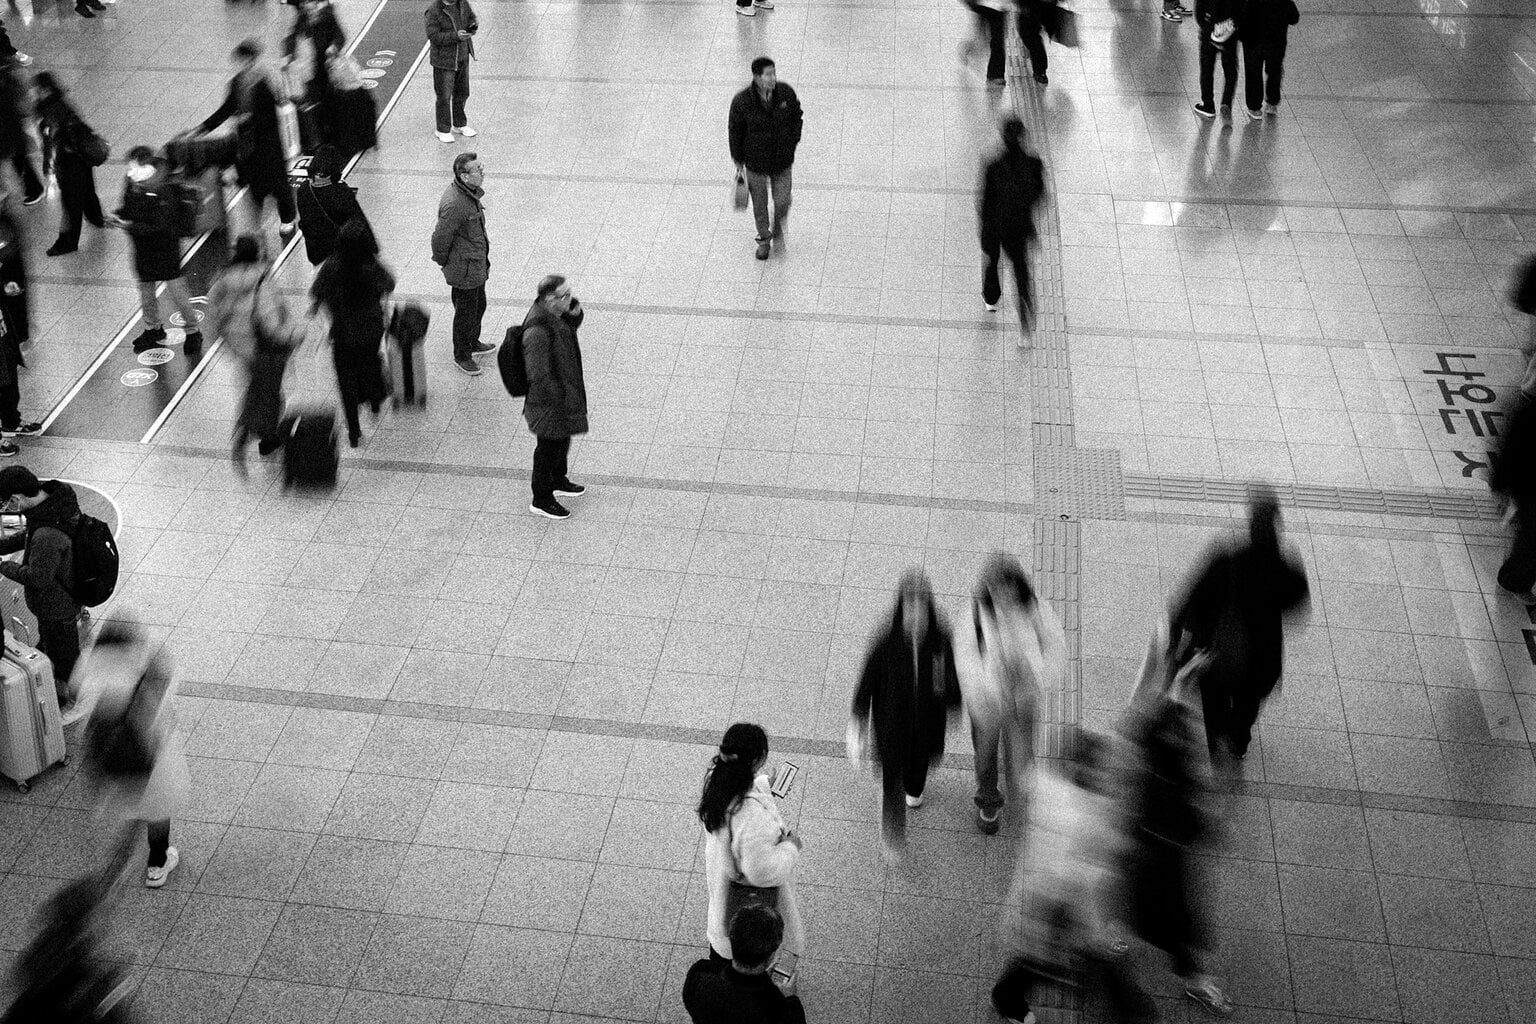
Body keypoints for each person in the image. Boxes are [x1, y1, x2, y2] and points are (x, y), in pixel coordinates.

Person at [991, 731, 1144, 1024]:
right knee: (1049, 957)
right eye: (1103, 771)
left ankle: (1010, 994)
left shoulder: (1046, 783)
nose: (1109, 777)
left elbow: (1023, 775)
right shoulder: (1082, 811)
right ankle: (1008, 996)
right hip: (1055, 903)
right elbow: (1076, 869)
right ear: (1085, 772)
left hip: (1051, 899)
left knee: (1047, 956)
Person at [1121, 623, 1233, 1018]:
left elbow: (1147, 717)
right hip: (1165, 851)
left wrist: (1171, 671)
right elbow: (1202, 800)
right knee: (1181, 924)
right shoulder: (1173, 746)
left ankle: (1128, 943)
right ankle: (1194, 980)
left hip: (1150, 845)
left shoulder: (1156, 737)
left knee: (1140, 906)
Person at [1167, 488, 1309, 766]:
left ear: (1250, 524)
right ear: (1276, 524)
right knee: (1248, 703)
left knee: (1215, 698)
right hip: (1261, 656)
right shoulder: (1284, 565)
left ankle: (1216, 739)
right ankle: (1238, 740)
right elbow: (1297, 603)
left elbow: (1192, 599)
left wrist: (1176, 637)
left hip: (1219, 651)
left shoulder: (1227, 558)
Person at [848, 569, 961, 862]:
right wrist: (859, 716)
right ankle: (893, 833)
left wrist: (954, 703)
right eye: (910, 606)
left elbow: (949, 677)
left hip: (927, 723)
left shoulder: (940, 639)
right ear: (901, 607)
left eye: (921, 607)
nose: (915, 614)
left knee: (919, 768)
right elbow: (868, 680)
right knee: (891, 780)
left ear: (929, 608)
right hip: (892, 724)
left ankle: (915, 787)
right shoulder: (886, 642)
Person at [955, 553, 1065, 836]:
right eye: (994, 589)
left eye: (1007, 588)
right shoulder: (976, 614)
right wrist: (995, 683)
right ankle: (989, 800)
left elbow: (1055, 649)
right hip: (987, 702)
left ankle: (1020, 797)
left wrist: (1035, 673)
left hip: (1023, 698)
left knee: (1022, 753)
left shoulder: (1035, 610)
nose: (1001, 596)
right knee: (985, 755)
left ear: (1017, 585)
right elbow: (965, 659)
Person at [81, 621, 191, 890]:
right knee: (157, 810)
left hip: (112, 759)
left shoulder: (89, 666)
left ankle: (124, 856)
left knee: (130, 804)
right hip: (148, 759)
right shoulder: (144, 673)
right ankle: (156, 864)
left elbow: (84, 707)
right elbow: (159, 714)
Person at [697, 723, 805, 963]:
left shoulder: (718, 783)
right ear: (757, 760)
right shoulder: (752, 819)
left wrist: (765, 786)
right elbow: (761, 872)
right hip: (748, 915)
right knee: (749, 960)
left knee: (721, 953)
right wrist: (791, 846)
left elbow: (742, 792)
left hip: (723, 898)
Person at [207, 235, 304, 470]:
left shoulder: (222, 279)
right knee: (270, 393)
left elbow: (213, 315)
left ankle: (262, 433)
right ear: (257, 254)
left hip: (241, 347)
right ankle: (256, 432)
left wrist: (229, 342)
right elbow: (271, 323)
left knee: (260, 387)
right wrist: (293, 336)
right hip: (264, 347)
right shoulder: (262, 282)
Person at [0, 466, 85, 716]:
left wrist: (5, 566)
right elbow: (29, 536)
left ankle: (72, 699)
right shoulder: (54, 503)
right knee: (58, 645)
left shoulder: (48, 533)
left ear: (17, 498)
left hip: (55, 605)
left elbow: (38, 577)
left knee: (64, 656)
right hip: (66, 595)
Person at [106, 146, 205, 355]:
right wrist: (118, 215)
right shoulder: (132, 182)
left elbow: (161, 226)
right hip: (142, 246)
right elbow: (128, 207)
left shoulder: (164, 188)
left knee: (176, 289)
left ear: (148, 167)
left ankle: (193, 330)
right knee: (145, 289)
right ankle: (153, 329)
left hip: (165, 247)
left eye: (134, 168)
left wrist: (128, 226)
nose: (129, 172)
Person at [195, 39, 297, 239]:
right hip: (248, 145)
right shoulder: (237, 83)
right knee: (255, 184)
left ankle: (288, 218)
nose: (239, 65)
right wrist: (203, 128)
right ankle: (257, 223)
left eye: (242, 60)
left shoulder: (266, 82)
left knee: (279, 184)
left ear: (251, 60)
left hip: (269, 144)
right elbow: (227, 109)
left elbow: (271, 115)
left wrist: (247, 120)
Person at [2, 877, 133, 1024]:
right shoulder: (79, 973)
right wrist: (104, 988)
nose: (104, 922)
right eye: (97, 916)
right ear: (86, 922)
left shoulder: (48, 946)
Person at [310, 218, 392, 448]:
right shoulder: (370, 265)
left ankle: (354, 431)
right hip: (370, 330)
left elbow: (317, 291)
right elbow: (389, 283)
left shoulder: (332, 265)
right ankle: (374, 398)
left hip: (343, 333)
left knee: (345, 380)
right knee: (370, 365)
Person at [520, 274, 588, 520]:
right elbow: (538, 375)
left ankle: (559, 480)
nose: (571, 298)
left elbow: (567, 331)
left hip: (563, 395)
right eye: (565, 295)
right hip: (548, 403)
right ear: (550, 299)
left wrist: (574, 314)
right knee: (548, 448)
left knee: (562, 440)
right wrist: (558, 399)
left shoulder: (554, 315)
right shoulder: (537, 330)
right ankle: (541, 498)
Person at [977, 115, 1046, 342]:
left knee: (992, 262)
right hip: (1019, 227)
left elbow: (984, 202)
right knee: (1021, 274)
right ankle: (1025, 324)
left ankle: (991, 298)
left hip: (996, 226)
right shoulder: (1034, 164)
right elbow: (1039, 194)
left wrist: (985, 230)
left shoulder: (993, 165)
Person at [728, 58, 802, 261]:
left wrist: (792, 141)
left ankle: (778, 227)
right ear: (757, 77)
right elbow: (735, 130)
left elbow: (797, 116)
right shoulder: (742, 101)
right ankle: (764, 239)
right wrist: (737, 157)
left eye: (773, 73)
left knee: (783, 200)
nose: (772, 78)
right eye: (768, 74)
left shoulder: (785, 93)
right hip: (755, 163)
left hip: (782, 160)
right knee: (759, 205)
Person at [682, 905, 805, 1024]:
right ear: (772, 955)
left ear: (731, 941)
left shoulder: (699, 974)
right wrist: (790, 998)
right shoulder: (777, 1008)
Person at [430, 151, 493, 375]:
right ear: (464, 176)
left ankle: (472, 342)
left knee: (479, 305)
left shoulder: (468, 194)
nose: (482, 172)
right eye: (478, 169)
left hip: (475, 264)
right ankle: (462, 355)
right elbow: (440, 238)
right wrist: (444, 261)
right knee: (465, 313)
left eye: (481, 167)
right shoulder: (455, 204)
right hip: (464, 268)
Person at [34, 72, 106, 257]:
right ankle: (96, 216)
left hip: (68, 163)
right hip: (82, 157)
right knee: (88, 190)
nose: (34, 93)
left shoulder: (49, 112)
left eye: (37, 89)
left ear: (45, 90)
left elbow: (51, 145)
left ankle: (67, 242)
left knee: (71, 204)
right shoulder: (63, 103)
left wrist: (48, 171)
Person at [0, 196, 38, 453]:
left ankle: (12, 421)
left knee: (8, 375)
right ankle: (2, 437)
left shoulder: (5, 222)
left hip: (2, 326)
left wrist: (4, 286)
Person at [282, 0, 347, 146]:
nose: (306, 6)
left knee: (327, 99)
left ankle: (331, 133)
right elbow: (292, 36)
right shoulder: (303, 17)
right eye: (305, 3)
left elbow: (340, 37)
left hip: (325, 66)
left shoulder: (328, 17)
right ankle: (318, 137)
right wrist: (288, 54)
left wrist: (333, 47)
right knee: (312, 100)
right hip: (309, 67)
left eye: (309, 2)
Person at [1492, 393, 1536, 601]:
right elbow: (1512, 448)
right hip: (1530, 485)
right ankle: (1514, 579)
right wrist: (1500, 485)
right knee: (1531, 536)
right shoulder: (1530, 413)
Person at [295, 143, 368, 266]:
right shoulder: (342, 192)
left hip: (316, 251)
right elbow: (357, 222)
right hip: (339, 250)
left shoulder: (303, 189)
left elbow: (304, 220)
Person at [425, 0, 478, 144]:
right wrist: (455, 36)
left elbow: (471, 18)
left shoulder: (463, 3)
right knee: (444, 96)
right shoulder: (434, 10)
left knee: (462, 92)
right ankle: (442, 129)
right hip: (444, 61)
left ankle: (459, 123)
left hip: (462, 56)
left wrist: (472, 26)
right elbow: (433, 36)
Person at [1241, 0, 1299, 118]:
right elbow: (1294, 18)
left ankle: (1254, 107)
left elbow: (1242, 17)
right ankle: (1272, 103)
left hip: (1253, 42)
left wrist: (1242, 36)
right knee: (1274, 71)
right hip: (1276, 42)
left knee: (1253, 73)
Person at [0, 55, 41, 206]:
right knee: (18, 159)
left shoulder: (7, 81)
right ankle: (32, 189)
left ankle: (34, 189)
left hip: (10, 130)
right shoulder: (8, 76)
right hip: (10, 129)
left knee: (19, 159)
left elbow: (20, 105)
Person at [1191, 0, 1241, 119]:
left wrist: (1209, 29)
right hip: (1230, 35)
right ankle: (1226, 101)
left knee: (1207, 70)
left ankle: (1208, 105)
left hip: (1208, 35)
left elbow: (1199, 13)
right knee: (1230, 72)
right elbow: (1242, 10)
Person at [1016, 0, 1052, 85]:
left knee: (1030, 36)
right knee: (1031, 34)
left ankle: (1040, 70)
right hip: (1038, 6)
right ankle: (1040, 70)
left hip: (1034, 7)